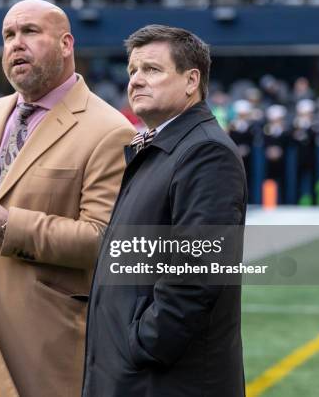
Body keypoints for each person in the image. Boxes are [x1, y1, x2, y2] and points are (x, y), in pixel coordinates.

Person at [0, 0, 134, 397]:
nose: (16, 44)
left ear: (66, 44)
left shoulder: (109, 129)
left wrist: (5, 225)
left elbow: (105, 240)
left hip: (45, 343)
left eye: (30, 32)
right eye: (8, 35)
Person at [82, 25, 247, 396]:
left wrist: (144, 343)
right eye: (132, 71)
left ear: (192, 81)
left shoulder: (205, 152)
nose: (136, 81)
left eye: (152, 70)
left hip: (165, 380)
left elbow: (197, 270)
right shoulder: (165, 146)